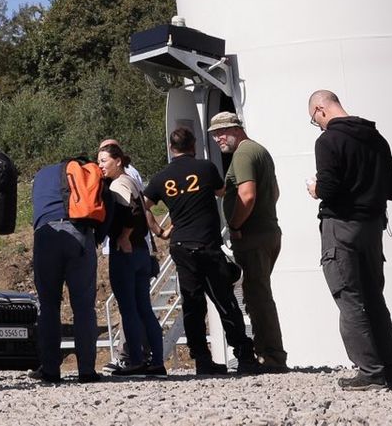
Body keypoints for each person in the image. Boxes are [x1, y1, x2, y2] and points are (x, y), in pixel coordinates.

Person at [144, 125, 257, 377]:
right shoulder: (206, 168)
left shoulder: (162, 177)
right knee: (224, 301)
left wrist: (159, 231)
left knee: (193, 305)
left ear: (171, 148)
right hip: (206, 244)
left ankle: (202, 360)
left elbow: (143, 204)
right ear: (193, 146)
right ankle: (244, 355)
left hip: (181, 247)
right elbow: (221, 191)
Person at [307, 89, 392, 391]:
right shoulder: (377, 138)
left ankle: (370, 372)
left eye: (315, 120)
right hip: (373, 228)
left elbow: (329, 189)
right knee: (375, 299)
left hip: (341, 227)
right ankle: (389, 372)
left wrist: (315, 189)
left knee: (349, 298)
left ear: (321, 109)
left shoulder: (328, 141)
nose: (318, 125)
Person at [207, 111, 285, 373]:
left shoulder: (242, 154)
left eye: (221, 132)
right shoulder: (259, 151)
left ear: (236, 129)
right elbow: (274, 192)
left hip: (252, 236)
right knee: (259, 293)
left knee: (257, 296)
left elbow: (247, 194)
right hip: (268, 231)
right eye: (214, 134)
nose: (217, 138)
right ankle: (270, 353)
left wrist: (236, 225)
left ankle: (270, 356)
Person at [27, 158, 99, 384]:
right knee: (84, 307)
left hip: (46, 234)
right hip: (79, 234)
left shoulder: (41, 175)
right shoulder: (85, 172)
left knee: (48, 305)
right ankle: (87, 371)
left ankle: (50, 370)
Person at [97, 142, 162, 377]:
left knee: (129, 309)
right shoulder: (132, 180)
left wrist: (124, 236)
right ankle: (157, 362)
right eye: (98, 161)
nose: (100, 165)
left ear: (118, 161)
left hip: (126, 253)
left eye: (104, 161)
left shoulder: (118, 184)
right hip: (142, 251)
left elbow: (134, 211)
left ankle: (135, 360)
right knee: (144, 308)